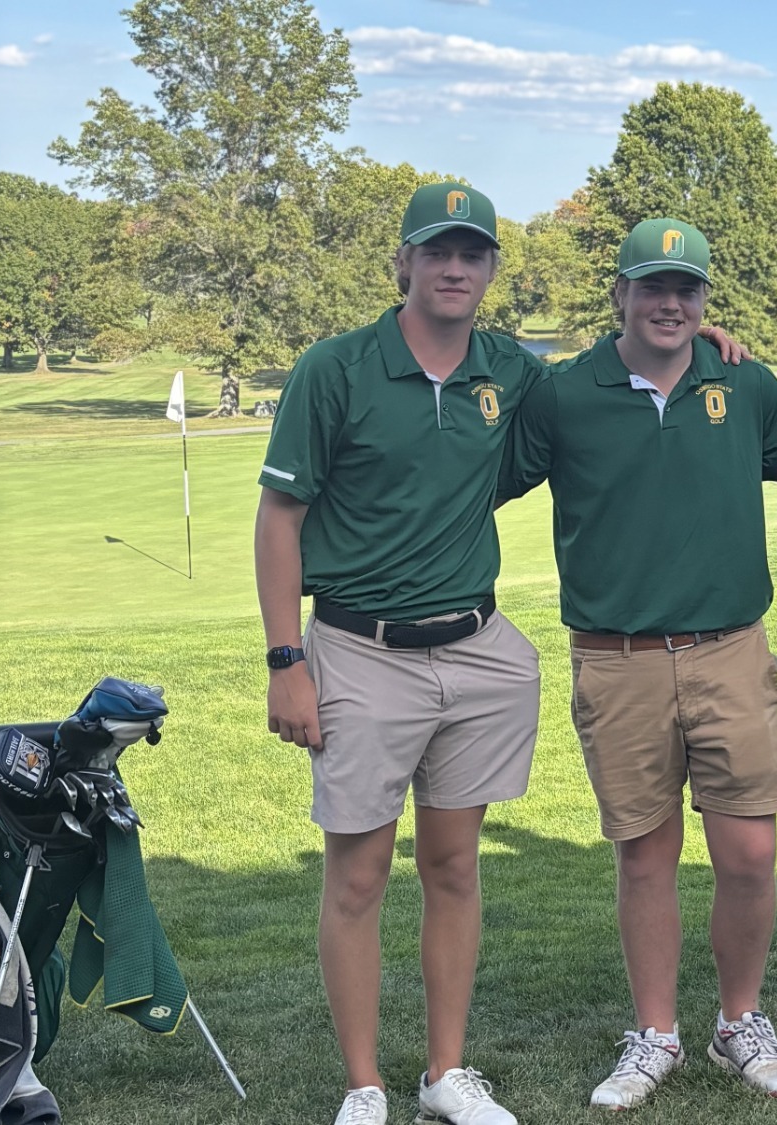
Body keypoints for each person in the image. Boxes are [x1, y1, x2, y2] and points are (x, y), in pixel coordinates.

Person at [498, 218, 777, 1103]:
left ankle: (738, 1022)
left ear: (705, 299)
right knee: (645, 855)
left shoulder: (744, 381)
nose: (670, 304)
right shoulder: (565, 394)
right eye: (653, 287)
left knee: (749, 853)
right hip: (618, 658)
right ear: (621, 294)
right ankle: (655, 1033)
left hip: (730, 650)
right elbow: (477, 481)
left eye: (687, 289)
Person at [256, 182, 545, 1125]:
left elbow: (618, 372)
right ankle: (364, 1082)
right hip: (359, 649)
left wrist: (702, 339)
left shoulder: (511, 368)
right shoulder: (336, 369)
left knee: (455, 866)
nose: (454, 268)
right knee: (359, 874)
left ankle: (444, 1073)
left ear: (492, 268)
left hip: (474, 646)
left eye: (471, 253)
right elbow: (279, 518)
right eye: (436, 252)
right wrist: (284, 657)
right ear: (405, 264)